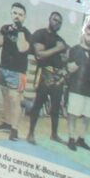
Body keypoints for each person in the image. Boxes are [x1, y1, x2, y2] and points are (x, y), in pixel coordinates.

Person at [24, 11, 69, 144]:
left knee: (55, 107)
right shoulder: (40, 34)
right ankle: (30, 133)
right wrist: (57, 49)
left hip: (56, 76)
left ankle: (54, 134)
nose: (57, 23)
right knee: (38, 104)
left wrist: (64, 57)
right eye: (55, 20)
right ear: (49, 19)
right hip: (44, 73)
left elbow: (65, 57)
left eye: (59, 22)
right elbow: (40, 55)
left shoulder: (61, 40)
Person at [0, 2, 32, 138]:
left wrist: (19, 30)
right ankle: (6, 123)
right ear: (11, 13)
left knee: (15, 99)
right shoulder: (5, 28)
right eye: (15, 13)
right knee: (6, 98)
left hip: (18, 72)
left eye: (20, 15)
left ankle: (14, 129)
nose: (17, 16)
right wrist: (2, 32)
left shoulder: (25, 32)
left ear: (24, 17)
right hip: (4, 69)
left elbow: (22, 48)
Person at [62, 22, 90, 153]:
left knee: (87, 117)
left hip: (89, 91)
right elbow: (68, 67)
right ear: (84, 34)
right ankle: (71, 139)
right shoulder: (74, 50)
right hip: (76, 88)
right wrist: (71, 68)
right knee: (73, 115)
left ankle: (81, 139)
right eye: (88, 34)